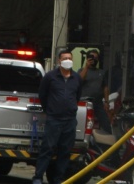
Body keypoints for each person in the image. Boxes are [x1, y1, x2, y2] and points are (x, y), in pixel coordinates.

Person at [33, 49, 82, 184]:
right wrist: (50, 110)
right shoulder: (50, 77)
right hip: (54, 119)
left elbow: (77, 96)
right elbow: (43, 95)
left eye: (69, 58)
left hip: (70, 120)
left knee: (65, 151)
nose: (68, 61)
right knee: (47, 149)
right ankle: (38, 177)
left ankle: (58, 179)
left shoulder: (76, 78)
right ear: (59, 60)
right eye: (65, 58)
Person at [79, 48, 111, 133]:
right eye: (92, 57)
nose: (94, 59)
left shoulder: (101, 72)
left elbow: (105, 87)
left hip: (98, 103)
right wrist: (86, 66)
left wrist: (106, 102)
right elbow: (80, 80)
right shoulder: (81, 70)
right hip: (84, 103)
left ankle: (108, 138)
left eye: (96, 58)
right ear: (87, 58)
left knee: (106, 123)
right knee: (83, 123)